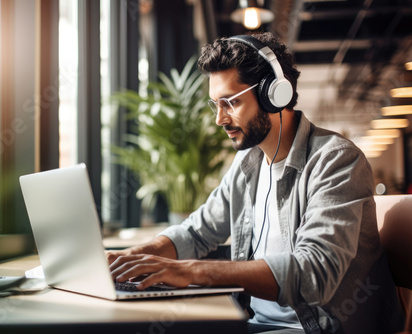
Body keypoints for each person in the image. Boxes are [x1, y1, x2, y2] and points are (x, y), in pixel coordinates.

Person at [107, 32, 404, 334]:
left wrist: (192, 270)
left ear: (274, 94)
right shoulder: (247, 164)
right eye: (216, 105)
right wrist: (133, 257)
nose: (220, 119)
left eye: (230, 102)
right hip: (253, 324)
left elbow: (314, 274)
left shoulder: (336, 161)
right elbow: (197, 232)